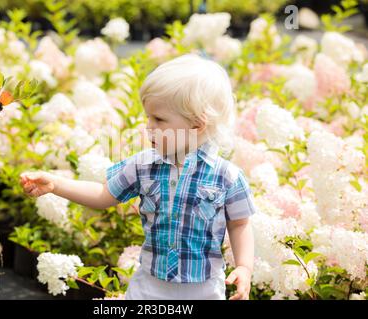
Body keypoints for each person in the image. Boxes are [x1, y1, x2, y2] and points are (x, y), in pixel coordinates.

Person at [20, 54, 257, 300]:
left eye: (159, 119)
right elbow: (104, 195)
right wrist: (56, 184)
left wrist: (244, 267)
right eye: (148, 117)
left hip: (204, 289)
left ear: (197, 124)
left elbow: (240, 224)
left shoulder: (227, 176)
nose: (148, 126)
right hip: (149, 287)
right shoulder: (143, 165)